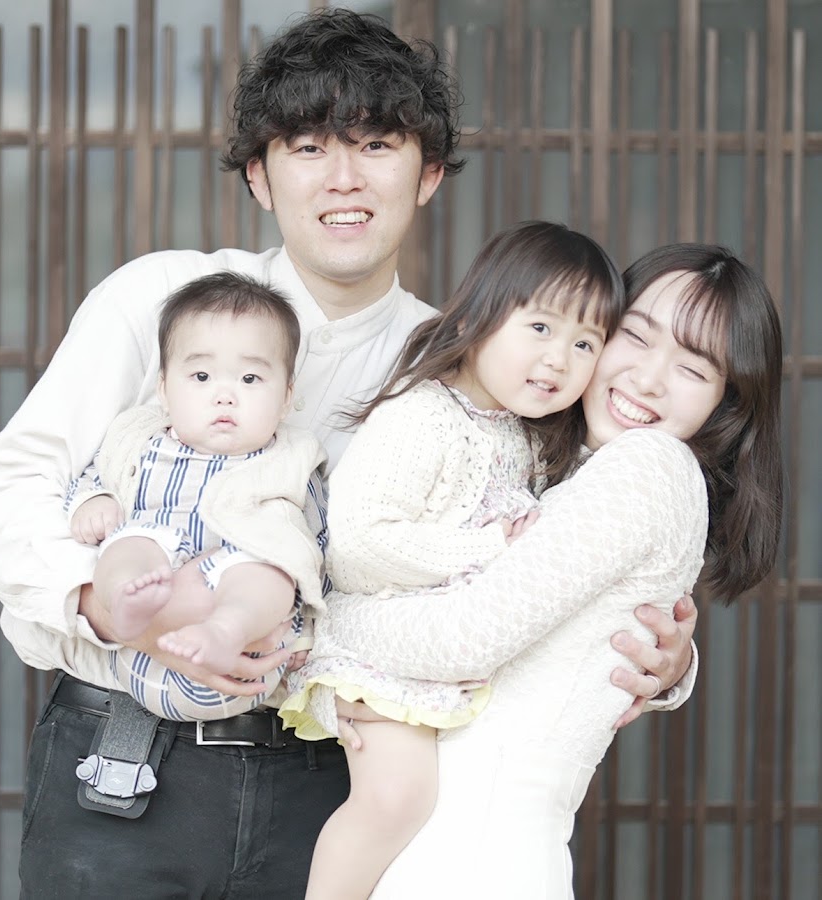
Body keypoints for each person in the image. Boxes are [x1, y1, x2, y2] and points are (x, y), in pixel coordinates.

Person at [0, 9, 695, 897]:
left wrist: (667, 665)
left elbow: (552, 551)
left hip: (338, 785)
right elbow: (9, 493)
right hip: (124, 760)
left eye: (377, 145)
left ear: (428, 174)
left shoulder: (468, 364)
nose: (344, 178)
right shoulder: (163, 298)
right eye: (308, 147)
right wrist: (118, 608)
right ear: (260, 176)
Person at [314, 243, 783, 899]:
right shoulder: (540, 459)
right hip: (436, 848)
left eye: (692, 368)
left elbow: (463, 638)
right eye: (634, 337)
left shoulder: (646, 467)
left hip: (476, 860)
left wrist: (312, 635)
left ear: (727, 404)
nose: (649, 379)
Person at [279, 220, 625, 899]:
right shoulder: (424, 415)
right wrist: (490, 549)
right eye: (541, 327)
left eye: (586, 343)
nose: (559, 359)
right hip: (379, 654)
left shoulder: (525, 436)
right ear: (477, 315)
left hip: (451, 669)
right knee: (396, 800)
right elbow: (357, 547)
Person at [65, 272, 328, 721]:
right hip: (143, 650)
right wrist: (93, 502)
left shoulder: (292, 459)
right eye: (201, 376)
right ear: (164, 390)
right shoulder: (137, 438)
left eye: (250, 378)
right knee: (130, 545)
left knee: (268, 569)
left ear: (286, 399)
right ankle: (125, 604)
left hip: (245, 654)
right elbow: (97, 474)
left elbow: (317, 546)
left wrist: (307, 633)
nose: (224, 396)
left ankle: (224, 628)